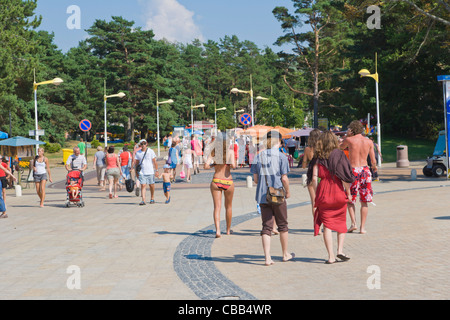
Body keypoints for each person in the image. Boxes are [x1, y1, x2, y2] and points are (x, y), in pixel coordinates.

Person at [307, 131, 355, 264]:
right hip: (338, 191)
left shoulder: (318, 157)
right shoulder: (339, 154)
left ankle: (331, 256)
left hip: (324, 192)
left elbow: (315, 179)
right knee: (341, 222)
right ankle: (340, 250)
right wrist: (348, 193)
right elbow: (344, 177)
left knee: (327, 225)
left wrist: (318, 193)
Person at [250, 130, 294, 266]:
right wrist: (288, 192)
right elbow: (284, 178)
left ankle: (267, 258)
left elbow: (255, 180)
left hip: (263, 195)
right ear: (279, 141)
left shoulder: (258, 156)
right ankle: (285, 254)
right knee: (282, 225)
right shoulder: (282, 157)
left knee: (266, 227)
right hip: (278, 195)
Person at [340, 120, 377, 234]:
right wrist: (374, 168)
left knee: (350, 199)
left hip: (353, 170)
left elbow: (339, 147)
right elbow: (373, 160)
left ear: (352, 129)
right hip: (365, 170)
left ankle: (353, 223)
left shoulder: (349, 140)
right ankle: (362, 228)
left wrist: (347, 136)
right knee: (364, 200)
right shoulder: (369, 142)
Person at [204, 132, 236, 238]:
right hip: (228, 181)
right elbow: (234, 166)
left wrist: (214, 164)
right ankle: (227, 230)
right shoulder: (230, 152)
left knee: (217, 207)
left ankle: (218, 231)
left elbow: (206, 166)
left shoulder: (214, 152)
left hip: (216, 180)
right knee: (229, 207)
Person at [133, 139, 158, 205]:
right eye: (142, 144)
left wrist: (157, 170)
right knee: (143, 185)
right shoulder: (138, 153)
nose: (143, 145)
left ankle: (152, 198)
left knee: (151, 185)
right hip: (142, 172)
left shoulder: (151, 151)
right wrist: (136, 172)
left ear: (146, 144)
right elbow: (137, 164)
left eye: (144, 143)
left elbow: (154, 161)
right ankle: (143, 200)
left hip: (150, 171)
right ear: (140, 145)